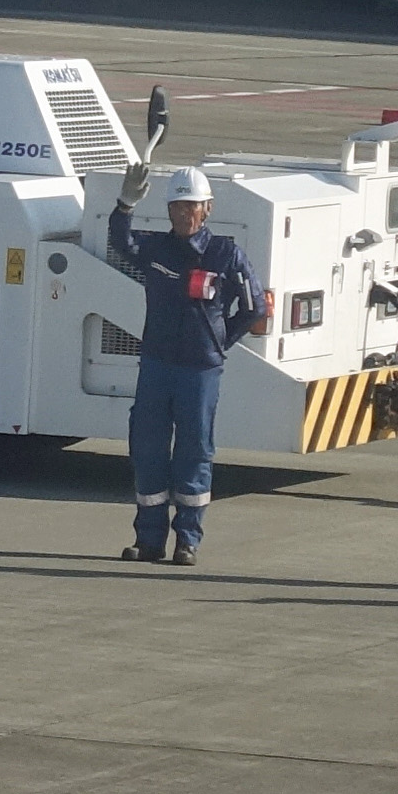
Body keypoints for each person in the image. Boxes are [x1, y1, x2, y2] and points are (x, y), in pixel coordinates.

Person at [110, 163, 269, 566]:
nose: (184, 214)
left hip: (199, 370)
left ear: (208, 209)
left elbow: (252, 308)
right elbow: (120, 241)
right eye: (178, 206)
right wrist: (126, 203)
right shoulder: (157, 250)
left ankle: (188, 540)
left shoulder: (225, 254)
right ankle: (149, 540)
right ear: (168, 211)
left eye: (192, 206)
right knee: (147, 447)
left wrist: (218, 343)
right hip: (157, 365)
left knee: (194, 450)